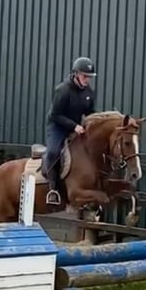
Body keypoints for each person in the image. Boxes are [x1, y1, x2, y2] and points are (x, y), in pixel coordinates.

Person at [43, 56, 97, 205]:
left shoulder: (89, 93)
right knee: (54, 152)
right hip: (57, 127)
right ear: (76, 74)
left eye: (89, 77)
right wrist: (74, 126)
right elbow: (55, 115)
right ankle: (52, 189)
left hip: (76, 127)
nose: (87, 80)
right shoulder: (63, 90)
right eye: (85, 76)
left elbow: (90, 113)